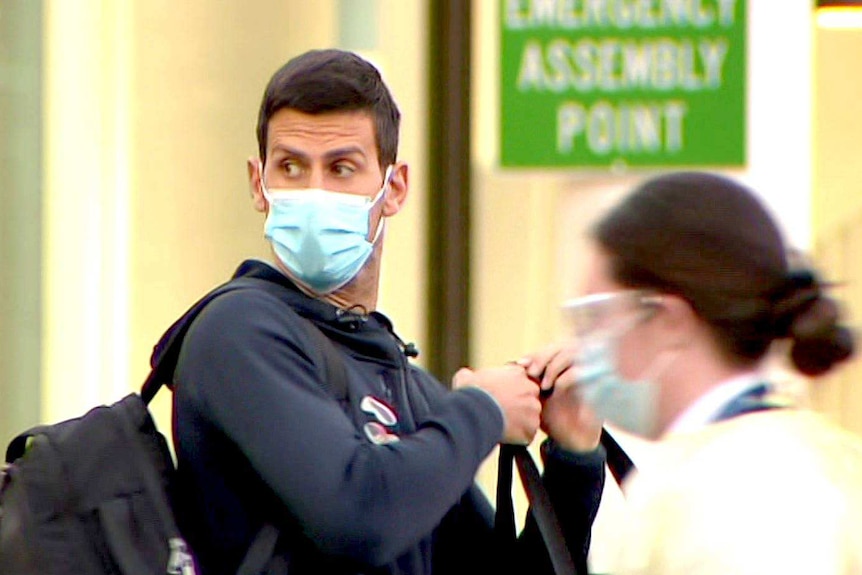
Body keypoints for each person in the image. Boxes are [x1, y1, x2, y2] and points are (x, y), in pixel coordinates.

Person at [159, 48, 605, 575]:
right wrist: (482, 411)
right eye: (291, 167)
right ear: (260, 185)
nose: (314, 192)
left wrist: (575, 456)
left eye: (342, 168)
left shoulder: (402, 381)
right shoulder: (239, 332)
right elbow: (357, 517)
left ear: (394, 188)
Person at [523, 171, 862, 574]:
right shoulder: (802, 456)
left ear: (670, 321)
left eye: (596, 318)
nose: (580, 347)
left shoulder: (742, 494)